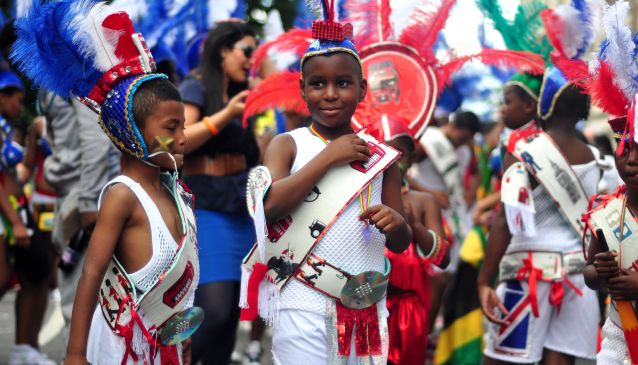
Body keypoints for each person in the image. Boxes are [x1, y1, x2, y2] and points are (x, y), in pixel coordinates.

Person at [11, 2, 200, 364]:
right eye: (170, 130)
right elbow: (91, 275)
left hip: (161, 346)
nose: (181, 139)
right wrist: (76, 354)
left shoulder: (174, 189)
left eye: (183, 128)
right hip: (120, 348)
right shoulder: (122, 196)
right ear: (131, 135)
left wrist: (178, 335)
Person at [239, 6, 411, 363]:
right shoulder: (287, 144)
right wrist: (329, 156)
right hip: (302, 298)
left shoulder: (382, 157)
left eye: (343, 83)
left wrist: (397, 223)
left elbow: (401, 239)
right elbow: (269, 208)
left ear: (362, 88)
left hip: (365, 304)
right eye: (318, 84)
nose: (330, 94)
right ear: (303, 89)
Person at [477, 67, 601, 364]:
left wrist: (483, 280)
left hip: (527, 276)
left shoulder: (522, 151)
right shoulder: (596, 158)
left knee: (502, 360)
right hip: (576, 278)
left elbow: (506, 220)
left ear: (543, 105)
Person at [178, 20, 259, 364]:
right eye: (246, 51)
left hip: (243, 210)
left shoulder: (246, 92)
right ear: (223, 50)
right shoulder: (195, 87)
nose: (251, 60)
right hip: (207, 208)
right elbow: (176, 141)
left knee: (229, 316)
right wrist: (226, 115)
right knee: (213, 309)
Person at [366, 115, 449, 365]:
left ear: (411, 159)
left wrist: (413, 225)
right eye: (383, 150)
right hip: (365, 306)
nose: (390, 159)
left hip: (406, 313)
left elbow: (443, 258)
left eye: (398, 153)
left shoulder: (423, 202)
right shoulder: (359, 199)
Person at [0, 68, 55, 365]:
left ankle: (24, 348)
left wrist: (33, 139)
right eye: (16, 100)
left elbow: (19, 173)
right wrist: (17, 220)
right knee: (3, 279)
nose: (19, 107)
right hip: (10, 214)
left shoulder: (8, 130)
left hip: (16, 208)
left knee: (37, 271)